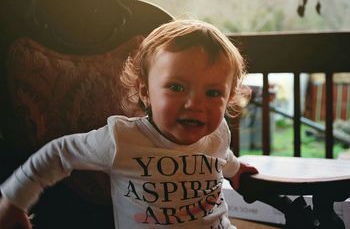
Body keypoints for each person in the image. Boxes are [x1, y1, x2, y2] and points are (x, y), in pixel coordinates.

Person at [0, 19, 258, 229]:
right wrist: (14, 201)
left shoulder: (218, 131)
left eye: (213, 93)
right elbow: (59, 154)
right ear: (145, 91)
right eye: (176, 87)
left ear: (229, 98)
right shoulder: (122, 139)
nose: (195, 104)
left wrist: (235, 170)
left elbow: (221, 155)